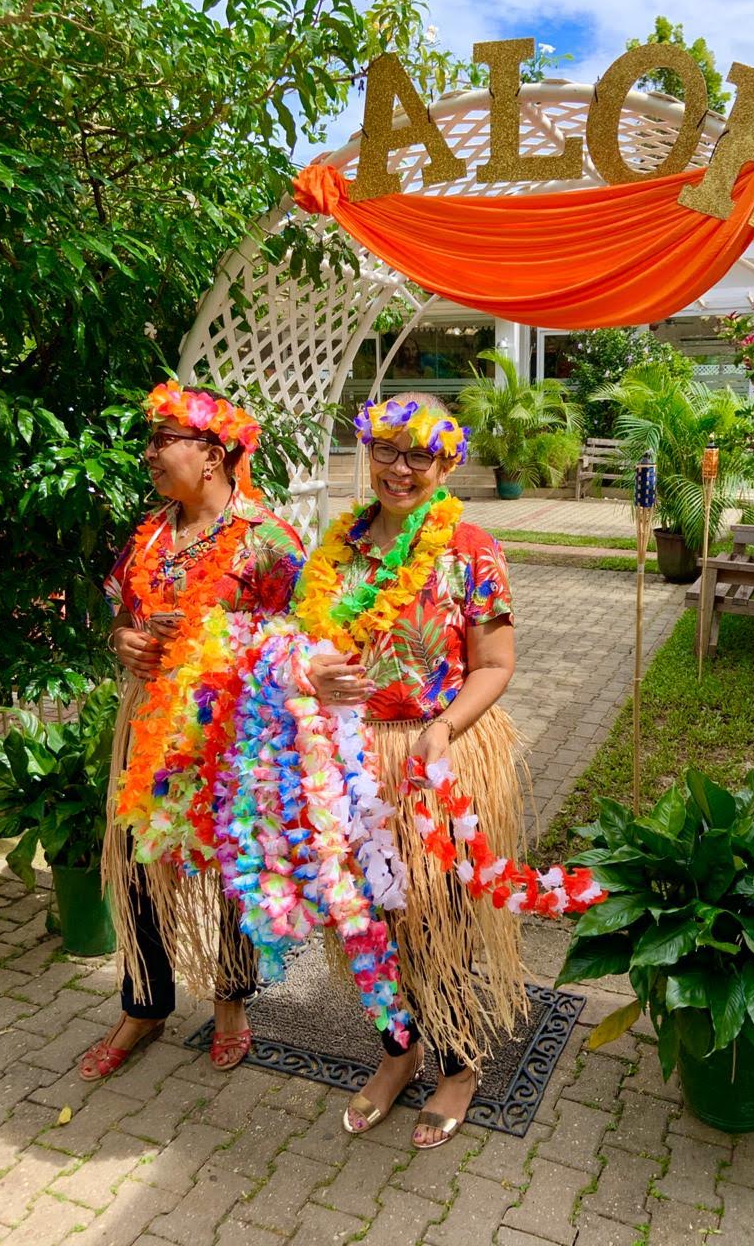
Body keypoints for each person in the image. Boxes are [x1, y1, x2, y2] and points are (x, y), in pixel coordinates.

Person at [304, 392, 527, 1149]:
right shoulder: (338, 548)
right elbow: (311, 645)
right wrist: (314, 673)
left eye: (420, 456)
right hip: (351, 757)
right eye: (387, 451)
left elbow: (494, 664)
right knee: (366, 918)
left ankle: (458, 1065)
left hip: (436, 755)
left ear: (447, 462)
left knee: (439, 919)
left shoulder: (471, 550)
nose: (400, 469)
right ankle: (398, 1055)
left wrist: (444, 728)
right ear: (368, 450)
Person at [79, 381, 305, 1080]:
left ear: (212, 454)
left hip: (231, 729)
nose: (150, 454)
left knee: (234, 864)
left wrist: (223, 644)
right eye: (151, 441)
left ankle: (231, 1001)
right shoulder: (149, 534)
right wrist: (124, 641)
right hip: (150, 724)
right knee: (139, 864)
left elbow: (302, 640)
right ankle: (144, 1004)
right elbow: (118, 616)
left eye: (163, 441)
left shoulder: (268, 541)